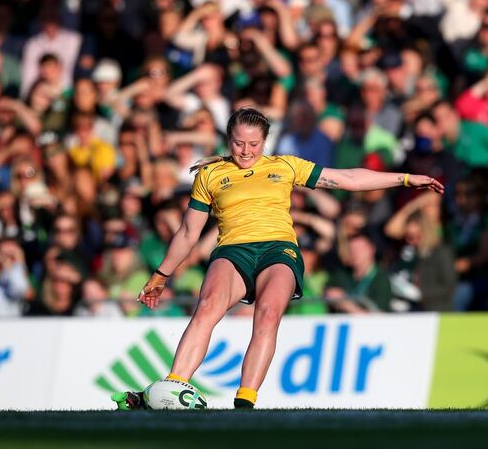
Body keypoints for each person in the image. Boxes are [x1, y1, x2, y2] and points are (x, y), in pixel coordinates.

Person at [110, 108, 442, 410]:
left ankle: (245, 403)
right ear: (229, 140)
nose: (246, 151)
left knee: (268, 314)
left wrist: (406, 179)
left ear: (265, 141)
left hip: (278, 249)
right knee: (208, 305)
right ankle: (173, 388)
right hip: (232, 250)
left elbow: (347, 179)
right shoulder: (209, 175)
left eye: (254, 144)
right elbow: (187, 233)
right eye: (239, 143)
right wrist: (160, 275)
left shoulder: (284, 166)